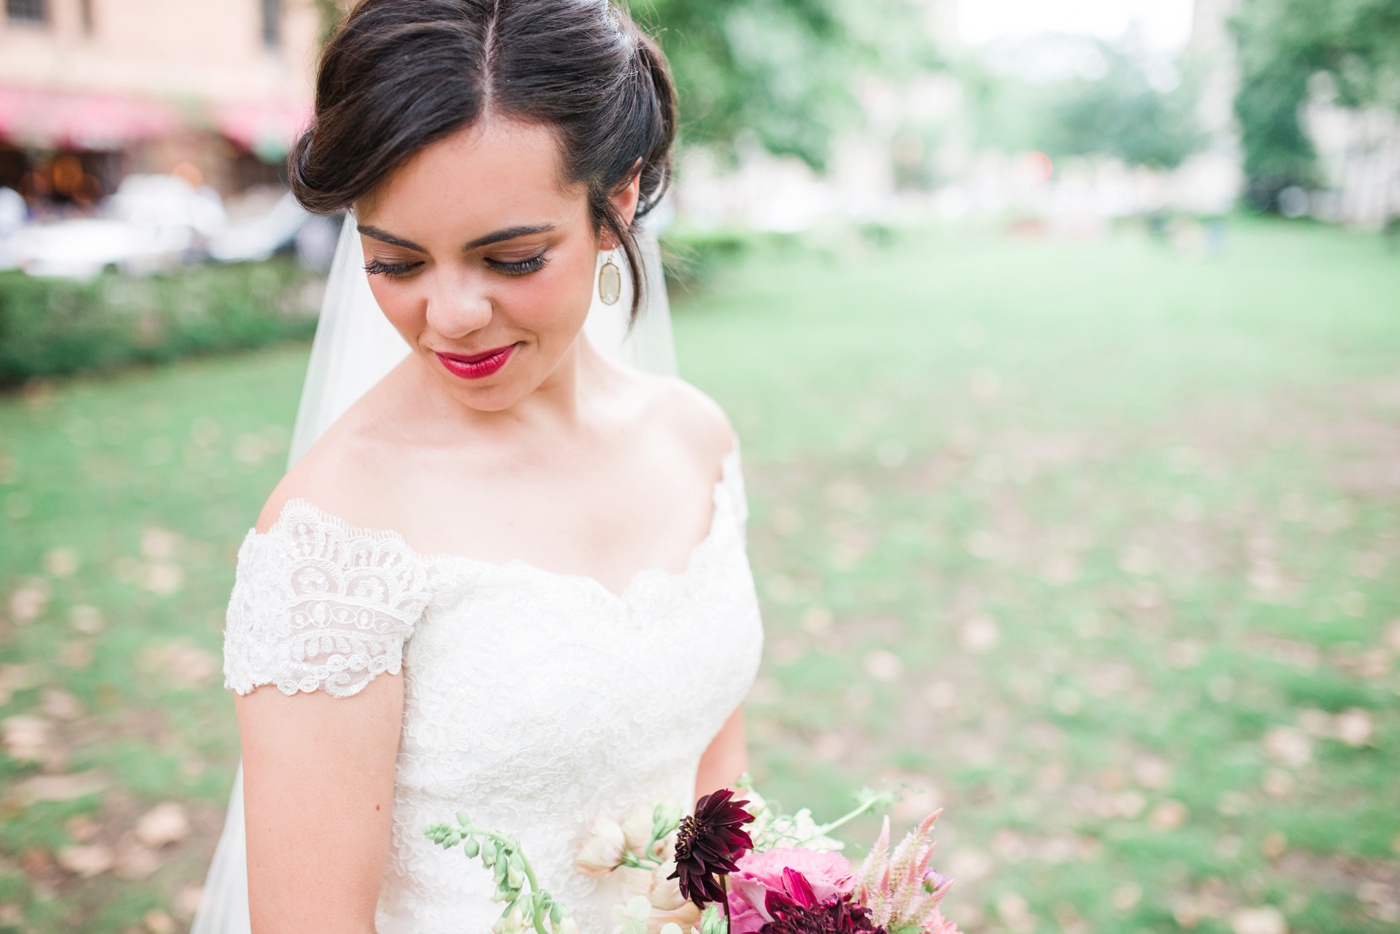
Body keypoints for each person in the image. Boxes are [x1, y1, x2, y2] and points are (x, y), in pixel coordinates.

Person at [191, 1, 764, 932]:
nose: (450, 314)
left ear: (615, 202)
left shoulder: (694, 439)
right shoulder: (335, 537)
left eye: (510, 257)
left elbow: (719, 783)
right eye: (396, 263)